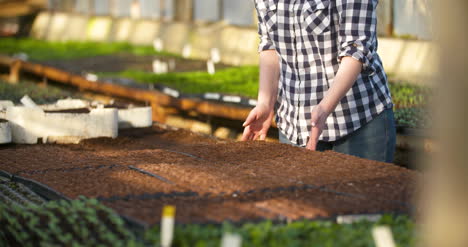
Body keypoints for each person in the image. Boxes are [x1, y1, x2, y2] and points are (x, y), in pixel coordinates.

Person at [242, 0, 396, 163]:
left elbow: (355, 50)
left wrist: (324, 108)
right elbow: (269, 45)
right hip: (295, 126)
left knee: (363, 187)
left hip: (357, 121)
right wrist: (265, 103)